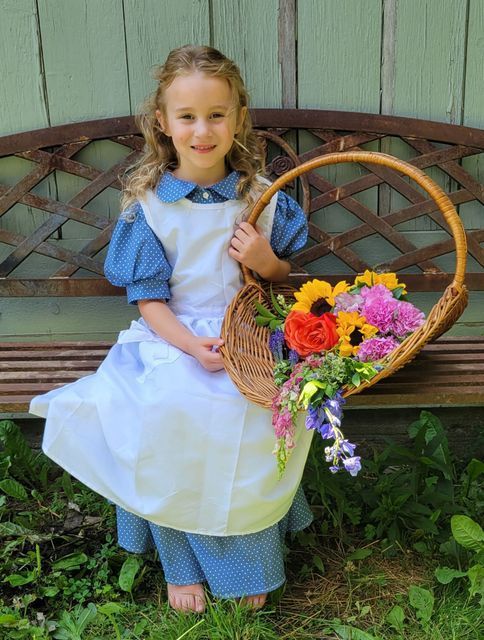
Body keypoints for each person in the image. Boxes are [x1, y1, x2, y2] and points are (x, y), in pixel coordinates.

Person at [30, 45, 314, 613]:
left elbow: (280, 277)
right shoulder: (150, 208)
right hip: (174, 338)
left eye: (216, 114)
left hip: (249, 337)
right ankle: (181, 563)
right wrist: (188, 345)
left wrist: (264, 261)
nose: (203, 130)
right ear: (163, 122)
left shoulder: (260, 198)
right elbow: (149, 302)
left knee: (252, 412)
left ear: (238, 117)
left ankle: (247, 560)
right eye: (187, 116)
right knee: (165, 413)